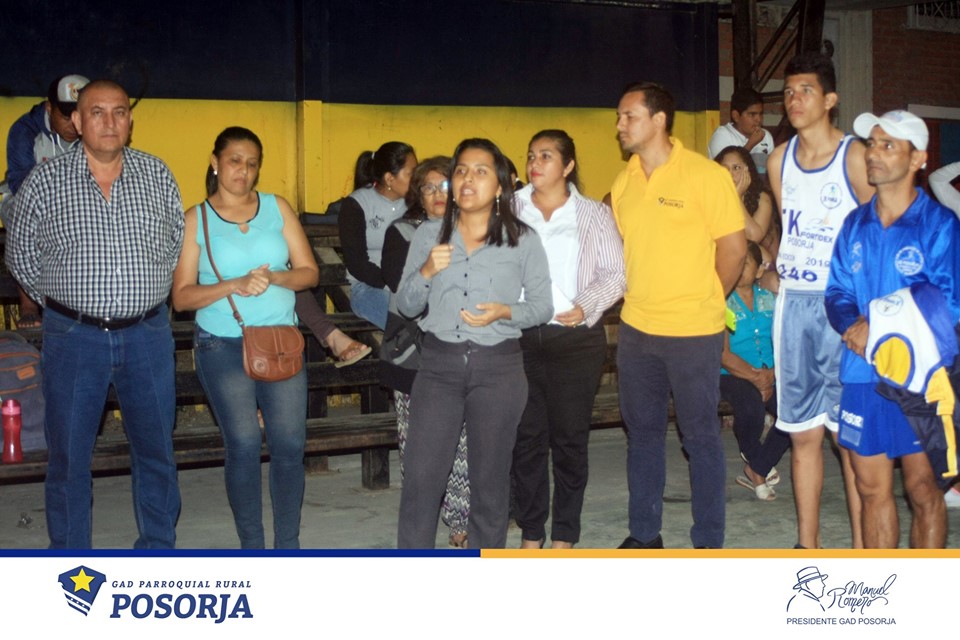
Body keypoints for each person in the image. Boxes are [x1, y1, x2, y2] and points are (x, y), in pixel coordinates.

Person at [6, 79, 183, 549]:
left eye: (119, 112)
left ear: (130, 121)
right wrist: (61, 305)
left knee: (156, 452)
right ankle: (70, 559)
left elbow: (174, 245)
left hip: (146, 336)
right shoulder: (45, 182)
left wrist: (141, 295)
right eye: (97, 112)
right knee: (68, 457)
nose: (109, 121)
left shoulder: (157, 174)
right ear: (77, 121)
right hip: (74, 338)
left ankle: (157, 551)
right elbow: (20, 252)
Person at [396, 138, 552, 549]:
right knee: (421, 479)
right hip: (439, 367)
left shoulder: (523, 239)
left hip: (498, 370)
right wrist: (427, 271)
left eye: (481, 171)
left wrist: (505, 312)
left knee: (490, 483)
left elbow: (542, 307)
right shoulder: (429, 234)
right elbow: (406, 305)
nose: (468, 179)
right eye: (461, 171)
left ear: (499, 186)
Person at [611, 82, 746, 549]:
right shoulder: (623, 183)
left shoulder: (705, 175)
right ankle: (644, 535)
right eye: (619, 117)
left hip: (693, 332)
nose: (619, 125)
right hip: (637, 331)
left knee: (700, 438)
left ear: (659, 120)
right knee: (642, 436)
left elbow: (734, 250)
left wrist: (706, 299)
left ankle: (707, 541)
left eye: (629, 116)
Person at [172, 126, 319, 549]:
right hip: (222, 342)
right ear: (215, 162)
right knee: (244, 442)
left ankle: (287, 546)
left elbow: (309, 272)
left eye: (252, 163)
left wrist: (275, 277)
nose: (244, 170)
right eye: (235, 160)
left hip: (280, 340)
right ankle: (252, 548)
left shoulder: (277, 207)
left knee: (289, 444)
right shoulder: (196, 219)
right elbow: (182, 296)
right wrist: (234, 284)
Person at [825, 110, 959, 548]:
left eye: (888, 146)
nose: (873, 154)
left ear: (918, 159)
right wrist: (852, 326)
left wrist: (878, 323)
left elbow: (950, 302)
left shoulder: (940, 225)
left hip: (921, 376)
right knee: (870, 490)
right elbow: (837, 291)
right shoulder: (854, 224)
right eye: (871, 143)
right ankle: (883, 587)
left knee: (923, 489)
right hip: (862, 371)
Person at [766, 52, 874, 549]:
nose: (794, 99)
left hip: (843, 307)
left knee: (845, 437)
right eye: (789, 91)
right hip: (794, 306)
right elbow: (786, 227)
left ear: (830, 99)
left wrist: (869, 312)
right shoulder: (777, 160)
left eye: (805, 90)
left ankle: (862, 547)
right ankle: (806, 547)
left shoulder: (854, 157)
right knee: (803, 434)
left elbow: (878, 234)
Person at [511, 129, 625, 549]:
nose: (535, 164)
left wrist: (585, 304)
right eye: (531, 155)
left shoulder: (593, 214)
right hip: (519, 337)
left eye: (546, 156)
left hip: (574, 339)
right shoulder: (510, 208)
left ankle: (564, 534)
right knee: (526, 439)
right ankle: (531, 532)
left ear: (568, 165)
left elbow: (616, 273)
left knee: (569, 439)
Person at [380, 155, 471, 548]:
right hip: (412, 353)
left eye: (445, 185)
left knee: (464, 443)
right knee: (419, 447)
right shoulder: (405, 233)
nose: (437, 194)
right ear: (418, 194)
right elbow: (405, 297)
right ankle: (421, 525)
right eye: (428, 187)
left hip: (460, 352)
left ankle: (461, 521)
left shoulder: (477, 232)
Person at [1, 74, 89, 328]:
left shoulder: (94, 131)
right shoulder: (24, 130)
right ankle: (29, 305)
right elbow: (20, 183)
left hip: (73, 203)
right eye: (66, 115)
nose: (74, 124)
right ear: (50, 108)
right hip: (23, 198)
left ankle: (81, 302)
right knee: (24, 217)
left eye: (81, 115)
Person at [721, 242, 791, 501]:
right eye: (735, 263)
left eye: (746, 263)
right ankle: (756, 464)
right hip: (731, 374)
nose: (739, 269)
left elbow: (785, 341)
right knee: (751, 406)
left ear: (759, 270)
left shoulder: (770, 299)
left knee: (792, 413)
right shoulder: (722, 302)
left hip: (771, 372)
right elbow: (722, 354)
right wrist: (757, 378)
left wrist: (772, 374)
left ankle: (757, 468)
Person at [339, 141, 417, 329]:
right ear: (390, 178)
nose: (418, 179)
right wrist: (393, 284)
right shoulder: (357, 204)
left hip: (412, 286)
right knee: (408, 326)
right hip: (370, 288)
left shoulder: (416, 205)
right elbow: (357, 263)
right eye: (412, 173)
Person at [716, 146, 779, 293]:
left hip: (754, 263)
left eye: (736, 168)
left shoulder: (761, 198)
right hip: (722, 257)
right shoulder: (710, 196)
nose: (730, 174)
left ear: (747, 171)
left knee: (770, 275)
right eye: (725, 168)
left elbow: (752, 236)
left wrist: (736, 198)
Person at [707, 87, 775, 173]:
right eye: (752, 114)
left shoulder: (766, 136)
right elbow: (726, 173)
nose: (758, 119)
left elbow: (771, 171)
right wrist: (750, 144)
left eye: (761, 114)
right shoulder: (722, 135)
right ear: (736, 116)